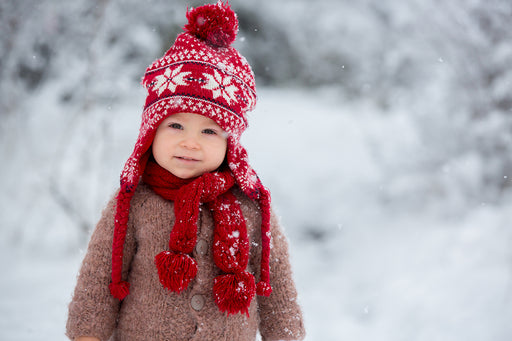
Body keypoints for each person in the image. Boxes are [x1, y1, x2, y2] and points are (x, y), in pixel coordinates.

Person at [66, 2, 305, 341]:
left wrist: (285, 335)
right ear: (150, 133)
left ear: (230, 144)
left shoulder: (250, 203)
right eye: (176, 125)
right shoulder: (135, 201)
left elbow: (277, 285)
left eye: (209, 131)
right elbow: (100, 275)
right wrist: (88, 334)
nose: (190, 143)